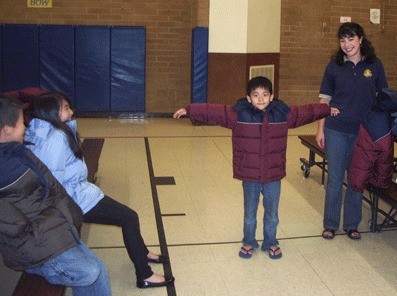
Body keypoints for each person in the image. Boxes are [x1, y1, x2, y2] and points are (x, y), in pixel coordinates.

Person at [24, 92, 174, 289]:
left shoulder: (48, 132)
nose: (72, 111)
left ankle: (141, 251)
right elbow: (53, 182)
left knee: (129, 217)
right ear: (52, 113)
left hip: (79, 191)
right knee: (129, 217)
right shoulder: (55, 138)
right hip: (74, 200)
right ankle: (145, 275)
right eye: (66, 108)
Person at [173, 76, 335, 259]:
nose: (260, 99)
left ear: (272, 96)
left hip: (273, 175)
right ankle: (249, 242)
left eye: (265, 94)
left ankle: (271, 242)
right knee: (249, 213)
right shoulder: (238, 114)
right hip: (249, 175)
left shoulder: (282, 114)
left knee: (272, 213)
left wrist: (327, 109)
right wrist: (189, 110)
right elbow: (213, 111)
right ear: (248, 98)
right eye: (256, 95)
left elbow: (306, 112)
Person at [0, 96, 111, 296]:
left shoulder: (19, 152)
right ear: (6, 130)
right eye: (20, 123)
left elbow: (52, 184)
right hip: (34, 244)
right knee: (91, 272)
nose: (26, 127)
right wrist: (53, 223)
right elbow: (14, 226)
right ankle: (39, 267)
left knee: (100, 270)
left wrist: (69, 214)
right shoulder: (7, 168)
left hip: (52, 224)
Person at [317, 22, 388, 240]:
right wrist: (320, 130)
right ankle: (330, 224)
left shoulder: (374, 65)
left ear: (360, 39)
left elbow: (383, 98)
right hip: (336, 130)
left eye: (351, 39)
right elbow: (324, 100)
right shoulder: (334, 66)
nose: (347, 44)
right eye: (343, 40)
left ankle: (351, 224)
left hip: (363, 133)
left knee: (357, 179)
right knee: (336, 179)